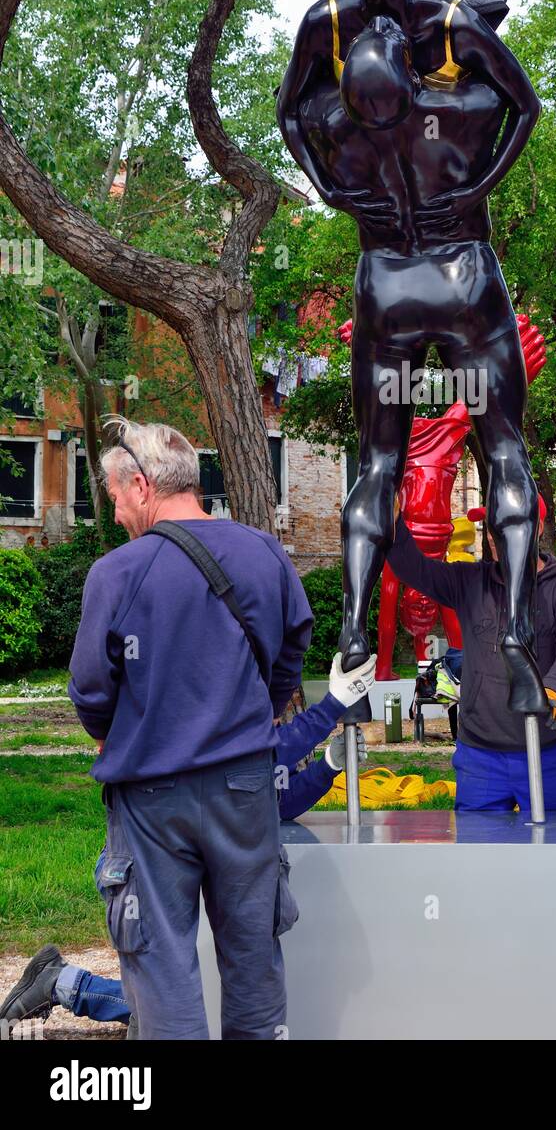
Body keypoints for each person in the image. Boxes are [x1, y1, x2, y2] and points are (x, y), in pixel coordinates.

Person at [275, 0, 547, 729]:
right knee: (498, 444)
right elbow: (525, 105)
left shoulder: (334, 35)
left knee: (381, 457)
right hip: (451, 264)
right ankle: (499, 626)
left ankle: (355, 632)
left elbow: (290, 117)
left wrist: (336, 191)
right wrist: (466, 182)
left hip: (391, 270)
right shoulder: (452, 43)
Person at [64, 416, 375, 1040]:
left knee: (162, 968)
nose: (119, 511)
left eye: (118, 495)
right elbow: (294, 646)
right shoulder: (264, 553)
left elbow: (90, 691)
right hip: (246, 791)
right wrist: (251, 711)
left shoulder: (117, 574)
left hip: (152, 799)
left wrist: (116, 730)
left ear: (143, 485)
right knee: (253, 961)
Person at [0, 666, 370, 1034]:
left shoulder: (244, 725)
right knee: (167, 995)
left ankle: (59, 981)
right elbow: (276, 752)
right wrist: (333, 705)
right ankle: (62, 984)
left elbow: (279, 798)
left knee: (173, 993)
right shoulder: (208, 712)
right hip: (146, 865)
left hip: (176, 861)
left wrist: (328, 765)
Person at [386, 491, 556, 812]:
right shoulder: (470, 581)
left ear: (534, 528)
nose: (494, 536)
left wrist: (552, 689)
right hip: (479, 758)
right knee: (478, 858)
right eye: (490, 527)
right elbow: (414, 570)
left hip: (545, 753)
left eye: (504, 525)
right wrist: (394, 521)